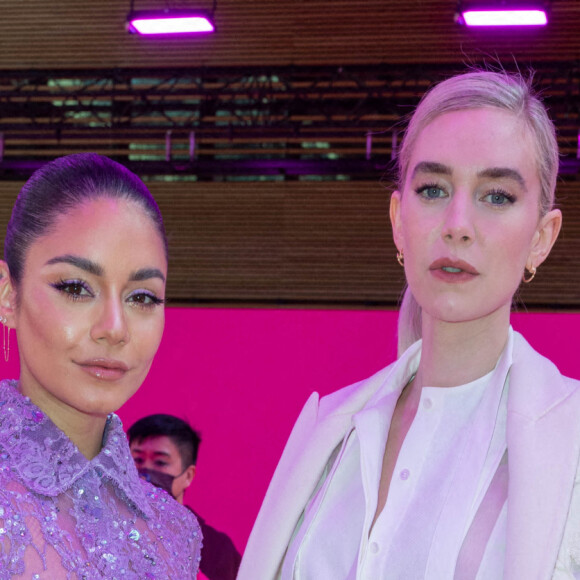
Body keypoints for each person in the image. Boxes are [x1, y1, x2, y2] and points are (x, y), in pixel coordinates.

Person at [237, 69, 580, 579]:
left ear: (541, 237)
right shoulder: (326, 430)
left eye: (497, 196)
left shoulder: (570, 438)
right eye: (433, 189)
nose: (457, 225)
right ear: (399, 220)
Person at [0, 153, 202, 577]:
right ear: (7, 295)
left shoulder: (175, 532)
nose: (114, 328)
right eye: (76, 288)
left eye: (142, 297)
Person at [127, 413, 242, 580]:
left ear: (188, 476)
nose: (145, 472)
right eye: (137, 459)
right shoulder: (106, 529)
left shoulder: (215, 549)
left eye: (160, 462)